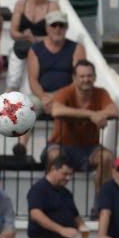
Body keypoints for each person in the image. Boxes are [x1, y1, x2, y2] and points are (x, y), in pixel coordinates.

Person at [16, 9, 87, 158]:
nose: (57, 29)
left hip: (68, 93)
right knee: (28, 106)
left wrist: (57, 97)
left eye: (61, 25)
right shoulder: (35, 49)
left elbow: (78, 79)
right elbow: (33, 80)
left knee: (64, 109)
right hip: (43, 94)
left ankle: (58, 148)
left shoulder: (77, 48)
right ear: (47, 27)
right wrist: (44, 98)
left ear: (66, 28)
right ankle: (21, 146)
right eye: (54, 25)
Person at [46, 60, 117, 194]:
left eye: (89, 76)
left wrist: (100, 116)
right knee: (54, 155)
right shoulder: (65, 92)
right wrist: (91, 115)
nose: (86, 79)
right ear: (74, 78)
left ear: (95, 77)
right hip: (61, 145)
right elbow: (56, 111)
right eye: (82, 76)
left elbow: (113, 111)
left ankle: (101, 206)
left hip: (89, 149)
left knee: (107, 157)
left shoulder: (101, 93)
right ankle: (52, 201)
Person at [7, 0, 59, 92]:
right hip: (22, 47)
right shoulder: (21, 4)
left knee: (29, 87)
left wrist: (35, 39)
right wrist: (25, 36)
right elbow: (13, 32)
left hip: (41, 49)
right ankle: (8, 96)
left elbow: (56, 34)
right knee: (13, 81)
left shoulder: (52, 6)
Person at [28, 155, 85, 238]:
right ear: (53, 169)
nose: (68, 178)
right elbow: (35, 214)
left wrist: (82, 226)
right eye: (65, 174)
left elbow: (75, 216)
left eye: (70, 174)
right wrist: (61, 230)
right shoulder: (39, 189)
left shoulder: (66, 193)